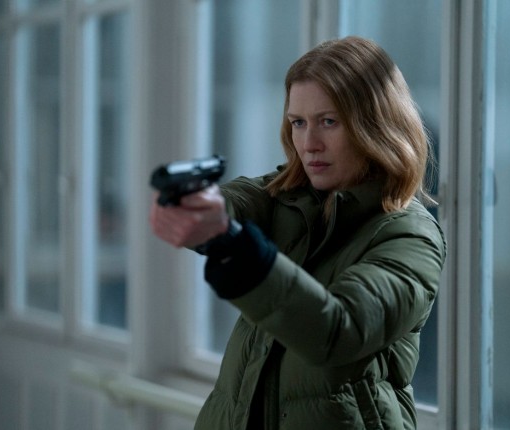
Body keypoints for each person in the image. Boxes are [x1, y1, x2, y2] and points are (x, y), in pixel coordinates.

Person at [149, 35, 446, 430]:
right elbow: (242, 199)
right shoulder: (293, 196)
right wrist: (202, 209)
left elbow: (340, 330)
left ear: (374, 124)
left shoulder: (411, 235)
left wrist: (239, 248)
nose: (309, 144)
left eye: (329, 122)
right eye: (298, 123)